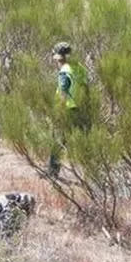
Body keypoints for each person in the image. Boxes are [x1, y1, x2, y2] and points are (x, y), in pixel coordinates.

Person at [47, 42, 88, 178]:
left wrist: (58, 110)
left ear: (57, 57)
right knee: (81, 140)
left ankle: (53, 173)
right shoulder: (80, 68)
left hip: (67, 109)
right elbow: (85, 89)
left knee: (58, 141)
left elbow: (63, 91)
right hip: (80, 108)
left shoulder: (65, 70)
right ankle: (89, 173)